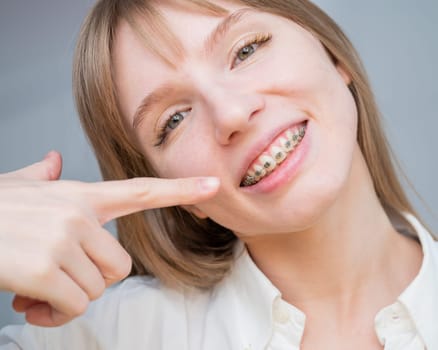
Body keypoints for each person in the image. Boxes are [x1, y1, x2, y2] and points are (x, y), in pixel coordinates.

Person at [0, 0, 436, 348]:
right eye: (174, 120)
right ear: (174, 194)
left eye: (246, 50)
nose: (231, 113)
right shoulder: (106, 336)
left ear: (332, 54)